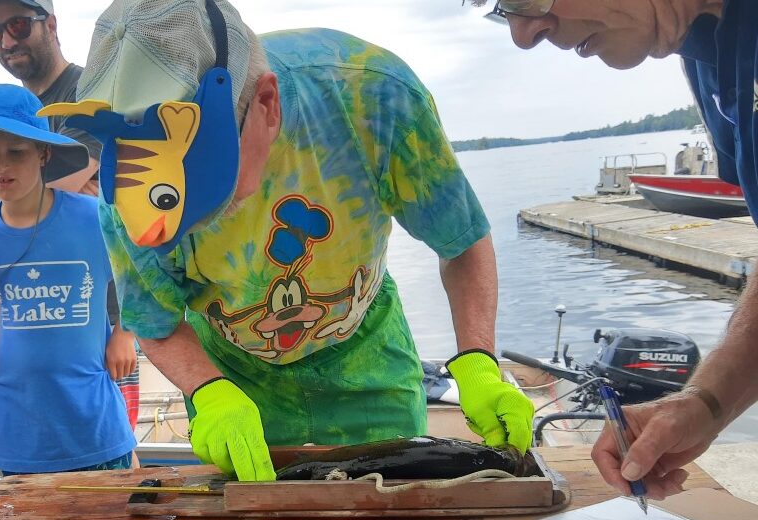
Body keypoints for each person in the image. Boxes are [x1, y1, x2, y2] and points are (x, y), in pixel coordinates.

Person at [44, 0, 534, 482]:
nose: (204, 219)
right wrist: (209, 391)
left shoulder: (372, 96)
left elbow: (461, 242)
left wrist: (477, 362)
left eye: (214, 183)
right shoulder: (127, 187)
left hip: (367, 354)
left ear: (267, 104)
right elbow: (155, 318)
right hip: (232, 373)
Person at [476, 0, 758, 520]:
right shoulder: (711, 44)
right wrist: (706, 402)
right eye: (498, 11)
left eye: (524, 0)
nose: (522, 33)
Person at [0, 83, 137, 475]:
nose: (0, 166)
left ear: (43, 153)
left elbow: (136, 275)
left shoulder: (95, 217)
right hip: (19, 422)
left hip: (92, 414)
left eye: (15, 152)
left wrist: (124, 333)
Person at [0, 0, 141, 424]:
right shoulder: (10, 110)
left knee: (110, 447)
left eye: (19, 25)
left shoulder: (91, 94)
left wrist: (127, 331)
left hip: (106, 318)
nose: (7, 40)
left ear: (51, 24)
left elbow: (78, 191)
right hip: (32, 324)